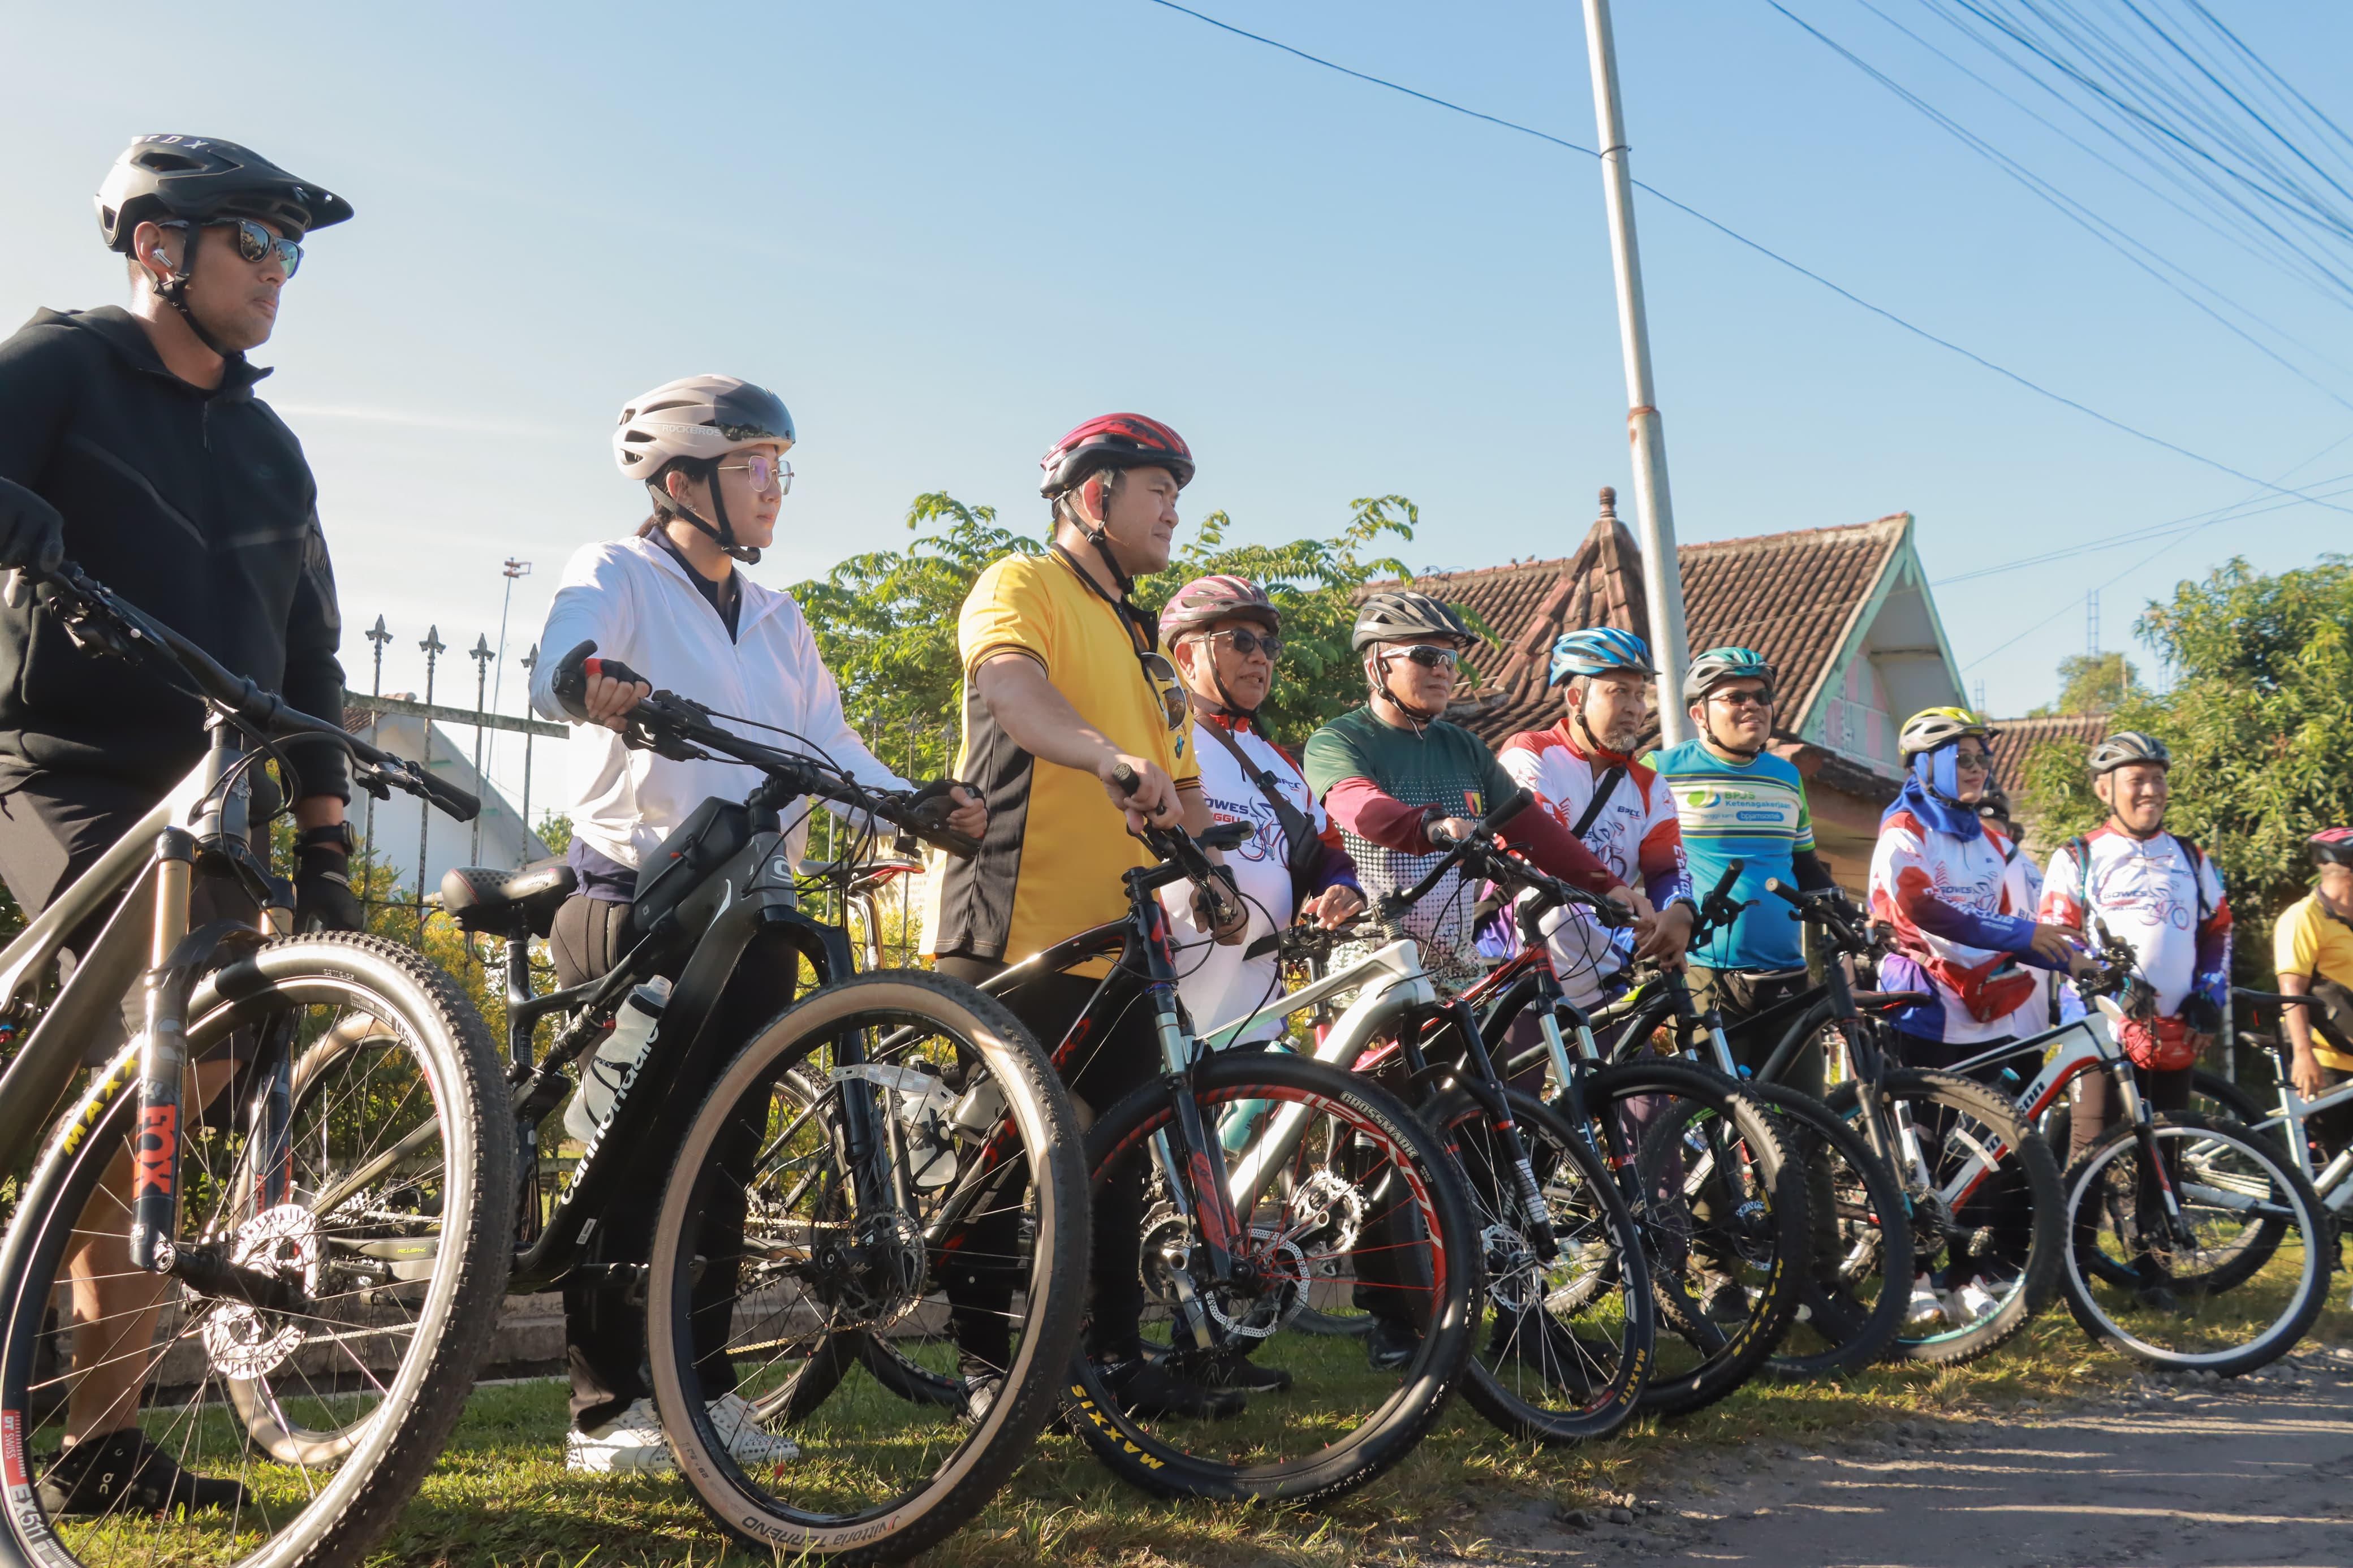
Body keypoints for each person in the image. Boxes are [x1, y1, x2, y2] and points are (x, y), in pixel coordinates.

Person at [531, 373, 985, 1472]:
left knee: (723, 1161)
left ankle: (704, 1387)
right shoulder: (620, 569)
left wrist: (912, 799)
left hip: (751, 910)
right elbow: (567, 651)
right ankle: (603, 1409)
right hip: (633, 901)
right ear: (682, 479)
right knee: (628, 1155)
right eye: (756, 467)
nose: (776, 489)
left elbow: (830, 749)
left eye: (782, 469)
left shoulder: (780, 619)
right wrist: (594, 681)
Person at [0, 135, 361, 1515]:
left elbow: (317, 660)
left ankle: (94, 1437)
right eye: (251, 244)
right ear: (161, 246)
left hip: (219, 779)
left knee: (156, 1098)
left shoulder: (274, 451)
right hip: (64, 762)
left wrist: (325, 844)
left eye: (291, 252)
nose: (278, 275)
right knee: (163, 1005)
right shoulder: (63, 362)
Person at [921, 412, 1251, 1421]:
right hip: (1013, 922)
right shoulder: (1022, 585)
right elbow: (1016, 696)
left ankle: (1111, 1360)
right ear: (1092, 495)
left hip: (1123, 942)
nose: (1174, 511)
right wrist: (1103, 756)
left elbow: (1184, 783)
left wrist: (1213, 875)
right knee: (1003, 1160)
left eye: (1176, 492)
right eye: (1158, 488)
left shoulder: (1147, 641)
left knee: (1114, 1161)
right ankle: (989, 1369)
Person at [1301, 589, 1644, 1368]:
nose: (1443, 670)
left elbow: (1533, 828)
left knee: (1494, 1135)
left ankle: (1518, 1316)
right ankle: (1398, 1324)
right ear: (1378, 664)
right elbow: (1355, 807)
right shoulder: (1340, 737)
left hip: (1457, 964)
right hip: (1373, 959)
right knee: (1383, 1144)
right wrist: (1425, 823)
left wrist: (1608, 886)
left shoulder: (1461, 749)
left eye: (1451, 657)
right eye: (1426, 656)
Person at [1871, 707, 2087, 1324]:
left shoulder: (1994, 842)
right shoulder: (1903, 829)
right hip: (1922, 1012)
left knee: (1981, 1154)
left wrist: (2083, 962)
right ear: (1924, 765)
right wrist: (2020, 936)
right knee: (1922, 1152)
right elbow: (1922, 907)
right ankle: (1912, 1276)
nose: (1974, 770)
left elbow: (2032, 915)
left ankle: (1966, 1272)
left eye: (1980, 759)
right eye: (1959, 759)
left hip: (1987, 1016)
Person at [1157, 573, 1364, 1043]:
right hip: (1166, 1030)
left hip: (1259, 1026)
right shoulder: (1154, 742)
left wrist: (1343, 887)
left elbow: (1326, 852)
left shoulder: (1281, 762)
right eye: (1242, 640)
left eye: (1269, 646)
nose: (1259, 656)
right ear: (1187, 656)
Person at [1644, 647, 1839, 1095]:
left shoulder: (1786, 776)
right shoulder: (1660, 770)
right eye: (1735, 697)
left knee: (1809, 1130)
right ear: (1700, 713)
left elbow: (1806, 865)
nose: (1752, 705)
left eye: (1761, 696)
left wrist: (1851, 915)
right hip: (1704, 973)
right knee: (1714, 1125)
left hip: (1787, 975)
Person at [2037, 732, 2231, 1160]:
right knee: (2090, 1152)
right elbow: (2056, 941)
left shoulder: (2191, 856)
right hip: (2098, 1028)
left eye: (2159, 778)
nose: (2151, 790)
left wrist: (2209, 994)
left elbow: (2219, 931)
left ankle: (2154, 1229)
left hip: (2173, 1029)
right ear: (2104, 788)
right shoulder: (2078, 855)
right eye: (2137, 779)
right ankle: (2077, 1231)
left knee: (2165, 1156)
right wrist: (2110, 986)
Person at [1496, 627, 1694, 1010]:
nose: (1636, 709)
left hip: (1602, 979)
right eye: (1619, 691)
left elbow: (1668, 871)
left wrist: (1679, 914)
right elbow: (1540, 850)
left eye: (1641, 694)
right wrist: (1621, 907)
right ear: (1576, 698)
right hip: (1516, 968)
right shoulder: (1529, 753)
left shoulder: (1652, 787)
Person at [2275, 827, 2353, 1157]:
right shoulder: (2304, 918)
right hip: (2328, 1061)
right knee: (2333, 1170)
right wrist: (2304, 1056)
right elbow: (2291, 989)